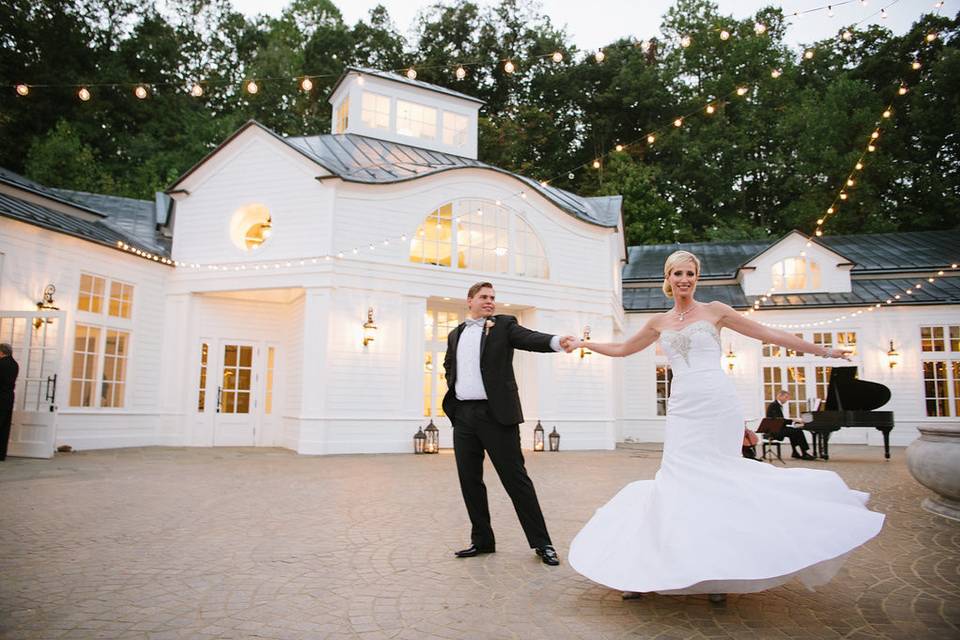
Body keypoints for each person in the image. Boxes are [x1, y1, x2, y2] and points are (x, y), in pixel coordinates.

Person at [565, 251, 884, 600]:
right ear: (668, 278)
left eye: (690, 273)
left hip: (718, 403)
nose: (684, 280)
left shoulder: (715, 310)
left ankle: (717, 575)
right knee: (676, 481)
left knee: (717, 480)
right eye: (678, 274)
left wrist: (823, 352)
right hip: (684, 406)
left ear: (696, 278)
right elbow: (624, 348)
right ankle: (650, 569)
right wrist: (585, 343)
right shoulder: (658, 322)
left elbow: (766, 333)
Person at [443, 282, 573, 566]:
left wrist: (556, 341)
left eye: (492, 297)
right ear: (470, 301)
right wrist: (452, 393)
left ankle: (543, 543)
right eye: (483, 297)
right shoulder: (455, 334)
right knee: (470, 481)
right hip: (463, 416)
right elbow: (449, 366)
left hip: (496, 415)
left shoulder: (503, 325)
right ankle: (482, 541)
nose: (490, 301)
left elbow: (528, 338)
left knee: (516, 480)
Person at [767, 390, 815, 460]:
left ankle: (795, 452)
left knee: (794, 431)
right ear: (779, 396)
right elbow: (779, 420)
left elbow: (781, 420)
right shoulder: (774, 405)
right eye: (786, 397)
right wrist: (794, 420)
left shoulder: (776, 404)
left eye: (788, 398)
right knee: (798, 431)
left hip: (779, 428)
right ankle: (804, 453)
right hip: (775, 430)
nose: (787, 399)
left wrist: (794, 421)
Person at [0, 343, 19, 461]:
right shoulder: (15, 364)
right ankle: (1, 453)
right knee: (5, 425)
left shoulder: (1, 364)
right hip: (9, 397)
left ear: (1, 352)